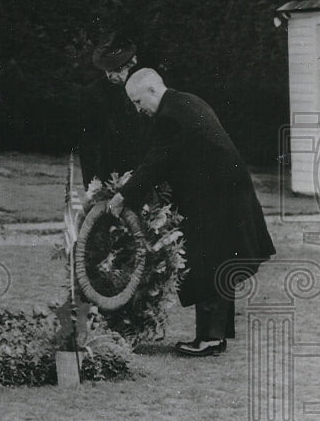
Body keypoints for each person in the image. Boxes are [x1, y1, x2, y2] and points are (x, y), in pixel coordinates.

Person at [106, 69, 275, 357]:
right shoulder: (185, 102)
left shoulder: (170, 117)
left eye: (137, 101)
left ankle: (209, 339)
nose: (137, 109)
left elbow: (158, 161)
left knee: (207, 261)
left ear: (151, 91)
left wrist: (123, 196)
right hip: (226, 193)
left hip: (218, 197)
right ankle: (214, 337)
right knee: (218, 261)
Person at [78, 33, 148, 189]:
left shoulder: (145, 89)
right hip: (106, 173)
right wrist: (92, 185)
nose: (111, 75)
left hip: (138, 169)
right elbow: (88, 145)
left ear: (132, 63)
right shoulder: (93, 93)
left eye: (118, 69)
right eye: (107, 69)